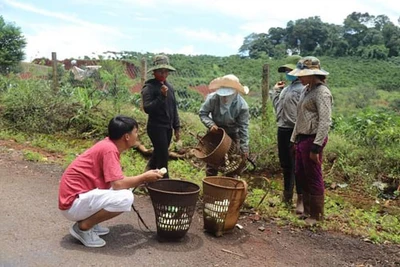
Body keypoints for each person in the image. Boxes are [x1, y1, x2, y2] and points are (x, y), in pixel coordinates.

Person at [58, 115, 163, 248]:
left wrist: (142, 179)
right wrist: (143, 178)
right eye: (136, 132)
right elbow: (118, 184)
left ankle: (91, 222)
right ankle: (84, 227)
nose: (137, 136)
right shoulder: (109, 150)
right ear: (126, 136)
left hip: (77, 198)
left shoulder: (108, 145)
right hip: (72, 204)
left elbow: (117, 181)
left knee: (126, 189)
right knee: (126, 197)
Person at [288, 56, 333, 226]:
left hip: (313, 138)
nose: (299, 77)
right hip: (302, 137)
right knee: (301, 174)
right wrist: (293, 139)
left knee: (313, 175)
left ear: (312, 74)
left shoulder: (322, 92)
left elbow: (325, 121)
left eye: (302, 74)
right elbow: (300, 118)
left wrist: (316, 146)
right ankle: (306, 211)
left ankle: (317, 215)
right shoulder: (306, 90)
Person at [270, 55, 304, 214]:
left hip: (294, 130)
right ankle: (287, 197)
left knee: (297, 166)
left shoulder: (303, 90)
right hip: (282, 129)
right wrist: (275, 92)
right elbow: (278, 109)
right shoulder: (287, 89)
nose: (288, 72)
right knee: (285, 165)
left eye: (291, 70)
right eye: (287, 70)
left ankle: (300, 200)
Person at [199, 74, 250, 177]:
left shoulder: (242, 106)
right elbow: (203, 113)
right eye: (223, 95)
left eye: (228, 95)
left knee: (232, 163)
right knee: (212, 162)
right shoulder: (212, 99)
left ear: (235, 92)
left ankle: (228, 186)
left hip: (232, 133)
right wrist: (211, 124)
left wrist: (244, 148)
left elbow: (243, 128)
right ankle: (211, 185)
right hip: (215, 132)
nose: (225, 98)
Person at [141, 54, 180, 179]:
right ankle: (164, 182)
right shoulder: (149, 87)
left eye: (165, 71)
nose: (163, 74)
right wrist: (161, 97)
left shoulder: (170, 87)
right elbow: (148, 108)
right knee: (163, 156)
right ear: (154, 72)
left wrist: (177, 127)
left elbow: (173, 109)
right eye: (160, 71)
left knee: (159, 153)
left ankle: (146, 176)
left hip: (167, 127)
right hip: (156, 127)